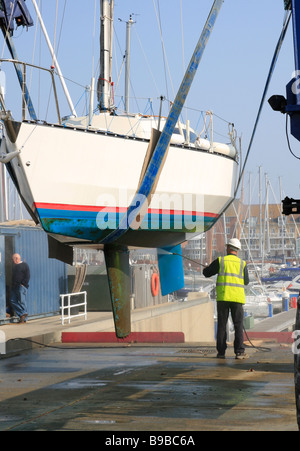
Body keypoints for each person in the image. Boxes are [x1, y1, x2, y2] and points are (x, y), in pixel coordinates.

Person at [203, 238, 249, 360]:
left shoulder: (220, 261)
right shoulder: (242, 264)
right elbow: (246, 281)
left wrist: (207, 268)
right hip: (237, 299)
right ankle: (239, 352)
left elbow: (207, 273)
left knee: (222, 325)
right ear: (237, 250)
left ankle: (221, 352)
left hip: (223, 298)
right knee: (238, 325)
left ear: (228, 248)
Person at [10, 253, 30, 324]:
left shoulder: (24, 265)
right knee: (12, 300)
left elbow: (27, 276)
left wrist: (23, 284)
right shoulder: (15, 266)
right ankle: (23, 313)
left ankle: (24, 319)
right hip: (14, 286)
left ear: (17, 258)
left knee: (22, 301)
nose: (12, 261)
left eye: (13, 259)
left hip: (21, 286)